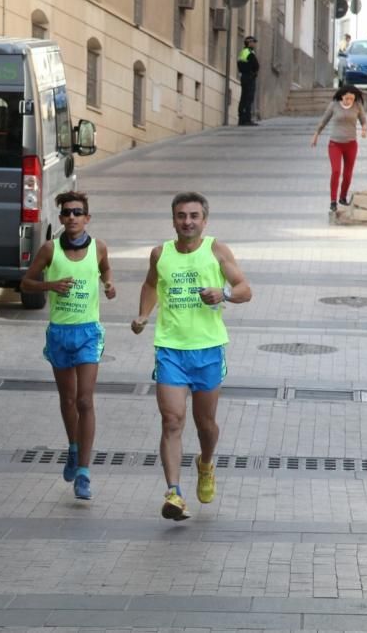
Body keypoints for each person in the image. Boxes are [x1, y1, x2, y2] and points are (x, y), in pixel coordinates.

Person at [131, 193, 251, 522]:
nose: (187, 221)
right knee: (171, 420)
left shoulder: (217, 251)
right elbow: (151, 284)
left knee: (205, 425)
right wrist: (143, 315)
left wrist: (223, 293)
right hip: (170, 349)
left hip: (208, 350)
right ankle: (174, 493)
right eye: (181, 216)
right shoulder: (160, 253)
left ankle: (206, 463)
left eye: (194, 216)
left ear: (204, 220)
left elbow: (245, 289)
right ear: (173, 220)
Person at [20, 191, 116, 501]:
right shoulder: (50, 250)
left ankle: (84, 472)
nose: (72, 217)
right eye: (67, 213)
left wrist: (109, 284)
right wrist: (50, 285)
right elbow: (26, 283)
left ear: (87, 218)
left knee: (85, 401)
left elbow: (105, 269)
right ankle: (73, 448)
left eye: (78, 212)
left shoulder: (99, 247)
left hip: (88, 332)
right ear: (60, 218)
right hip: (60, 333)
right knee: (68, 399)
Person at [310, 85, 367, 212]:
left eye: (352, 99)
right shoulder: (334, 105)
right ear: (342, 96)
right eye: (347, 98)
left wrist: (364, 129)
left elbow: (364, 120)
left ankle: (343, 197)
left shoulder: (357, 105)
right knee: (336, 171)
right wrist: (316, 134)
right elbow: (324, 120)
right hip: (335, 144)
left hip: (351, 144)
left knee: (348, 174)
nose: (349, 101)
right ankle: (333, 201)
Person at [237, 36, 259, 126]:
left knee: (244, 98)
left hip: (245, 77)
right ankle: (246, 119)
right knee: (248, 98)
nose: (254, 44)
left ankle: (242, 119)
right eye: (253, 42)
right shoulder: (248, 52)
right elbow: (254, 65)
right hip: (248, 77)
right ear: (249, 43)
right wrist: (252, 73)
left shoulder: (243, 52)